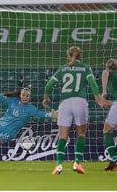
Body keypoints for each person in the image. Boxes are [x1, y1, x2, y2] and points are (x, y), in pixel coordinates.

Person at [43, 46, 109, 175]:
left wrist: (46, 97)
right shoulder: (85, 67)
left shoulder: (62, 68)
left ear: (69, 56)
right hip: (80, 101)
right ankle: (77, 162)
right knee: (81, 133)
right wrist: (98, 98)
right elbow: (93, 84)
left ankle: (59, 165)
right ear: (80, 56)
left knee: (63, 135)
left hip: (65, 102)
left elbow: (49, 84)